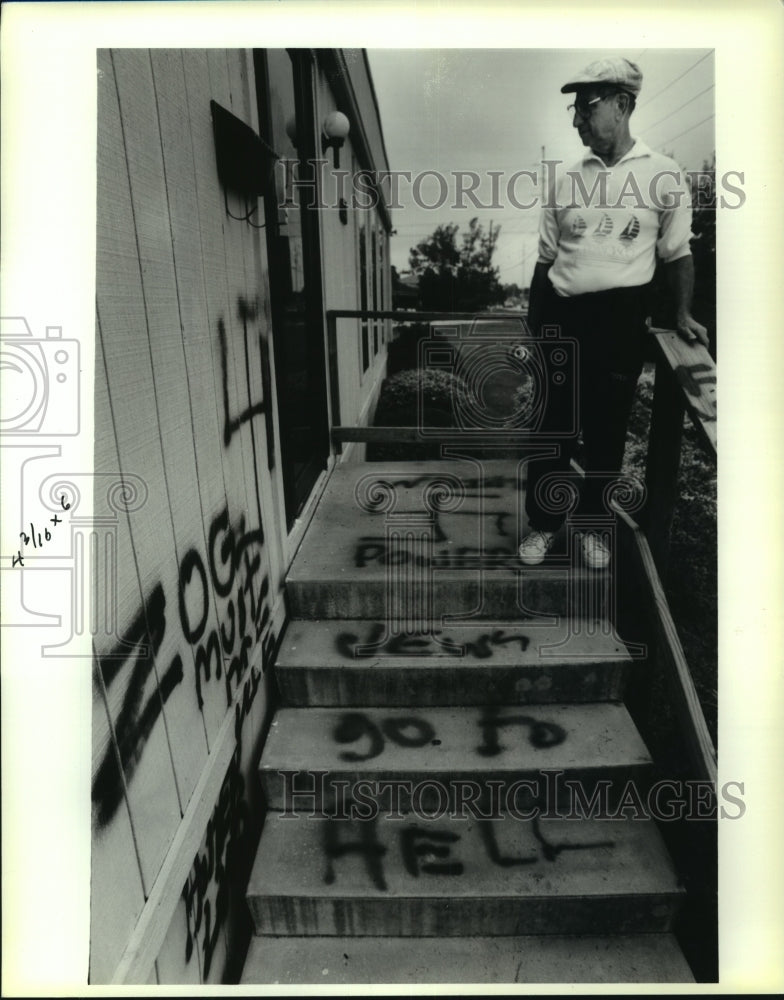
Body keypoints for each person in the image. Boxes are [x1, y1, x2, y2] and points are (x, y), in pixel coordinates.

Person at [518, 56, 708, 570]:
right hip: (562, 315)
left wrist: (685, 314)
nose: (577, 118)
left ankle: (593, 530)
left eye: (587, 106)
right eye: (575, 108)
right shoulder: (565, 180)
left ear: (623, 105)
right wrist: (536, 330)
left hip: (621, 321)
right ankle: (543, 525)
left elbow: (677, 253)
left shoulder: (662, 175)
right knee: (553, 427)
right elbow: (544, 261)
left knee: (606, 430)